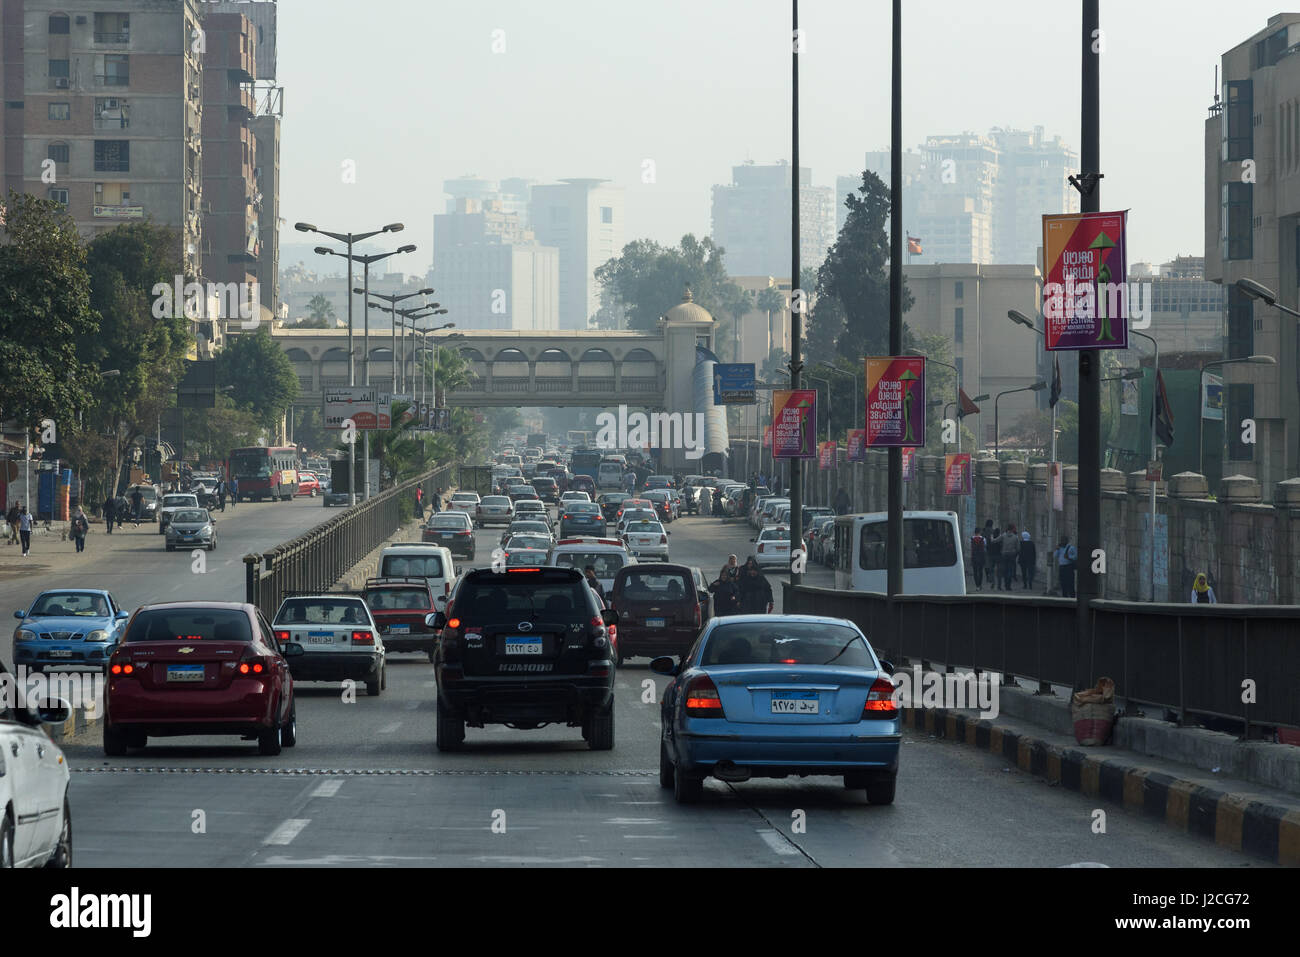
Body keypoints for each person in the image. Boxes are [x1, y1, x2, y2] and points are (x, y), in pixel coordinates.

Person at [1001, 524, 1019, 590]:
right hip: (1012, 555)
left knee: (1005, 570)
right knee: (1010, 570)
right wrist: (1015, 552)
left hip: (1004, 554)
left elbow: (996, 541)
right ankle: (1009, 586)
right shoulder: (1015, 537)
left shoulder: (1003, 535)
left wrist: (991, 539)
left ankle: (1006, 585)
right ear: (1012, 529)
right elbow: (1018, 548)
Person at [987, 526, 1003, 591]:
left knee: (992, 570)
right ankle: (999, 585)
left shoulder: (990, 539)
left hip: (991, 556)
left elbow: (987, 547)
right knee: (999, 572)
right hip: (999, 556)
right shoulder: (1000, 539)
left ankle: (993, 583)